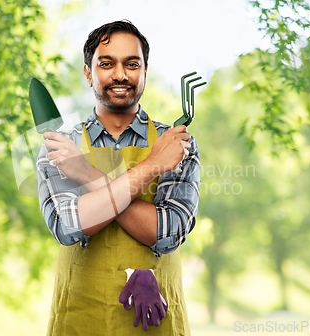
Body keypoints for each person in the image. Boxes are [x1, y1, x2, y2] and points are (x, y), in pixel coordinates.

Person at [37, 20, 200, 335]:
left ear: (145, 71)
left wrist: (85, 173)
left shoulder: (176, 143)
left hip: (156, 321)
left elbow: (166, 232)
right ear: (88, 73)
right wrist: (153, 165)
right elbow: (69, 226)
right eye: (106, 63)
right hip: (81, 317)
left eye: (132, 64)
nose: (121, 74)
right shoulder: (61, 145)